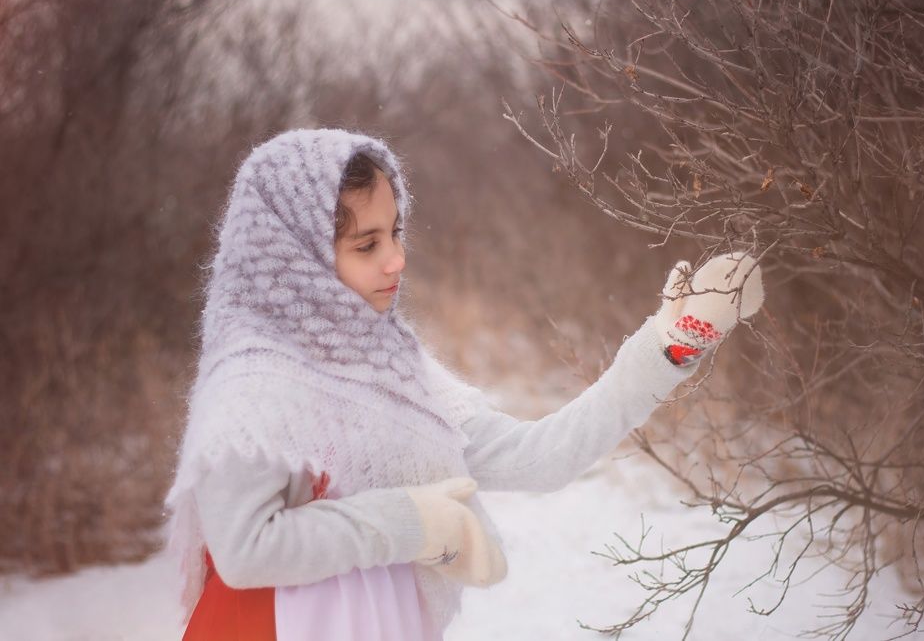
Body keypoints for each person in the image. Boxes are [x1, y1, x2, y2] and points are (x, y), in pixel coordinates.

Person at [162, 128, 766, 640]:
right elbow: (245, 551)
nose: (396, 258)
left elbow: (538, 459)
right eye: (366, 244)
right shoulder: (253, 385)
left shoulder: (390, 372)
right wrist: (413, 523)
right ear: (293, 256)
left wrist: (669, 345)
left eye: (395, 232)